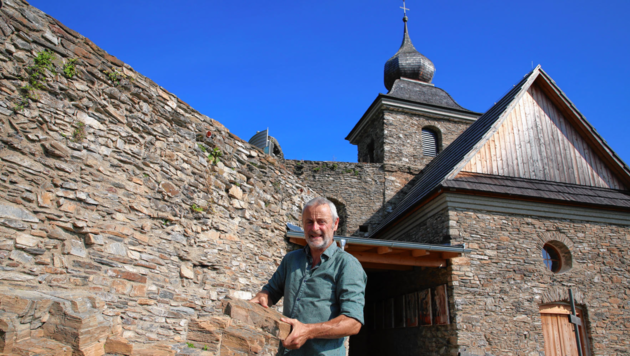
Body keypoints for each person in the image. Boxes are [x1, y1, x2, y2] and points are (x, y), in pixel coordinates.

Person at [250, 197, 367, 355]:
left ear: (335, 224)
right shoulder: (291, 259)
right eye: (309, 222)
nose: (315, 228)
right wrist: (263, 296)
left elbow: (353, 322)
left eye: (321, 221)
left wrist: (308, 331)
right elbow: (271, 291)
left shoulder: (347, 265)